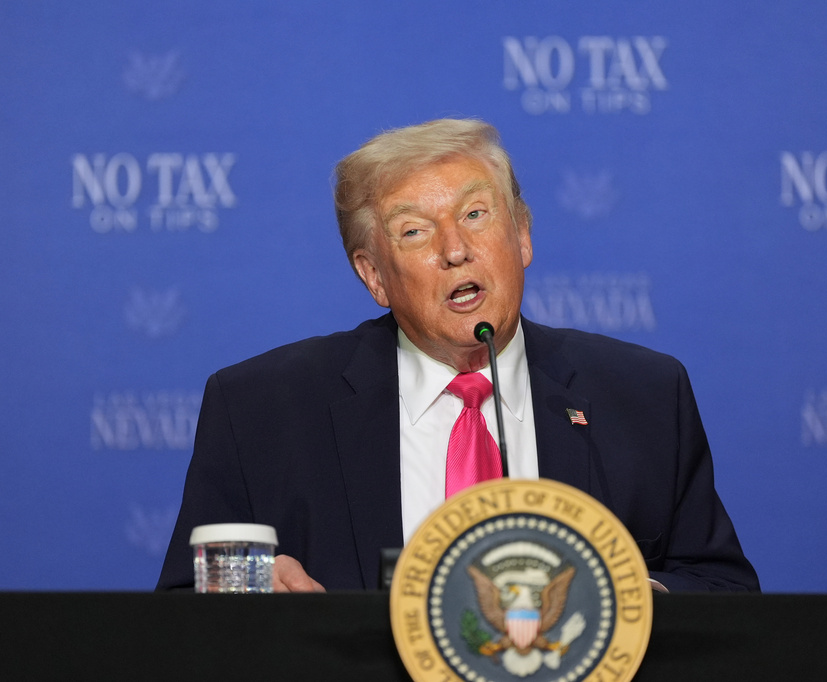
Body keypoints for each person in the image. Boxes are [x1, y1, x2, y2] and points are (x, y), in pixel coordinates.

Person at [157, 118, 759, 593]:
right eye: (414, 231)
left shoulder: (645, 394)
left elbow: (722, 587)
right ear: (374, 276)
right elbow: (182, 621)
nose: (455, 249)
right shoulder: (262, 409)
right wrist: (255, 599)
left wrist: (633, 600)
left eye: (476, 214)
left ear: (521, 235)